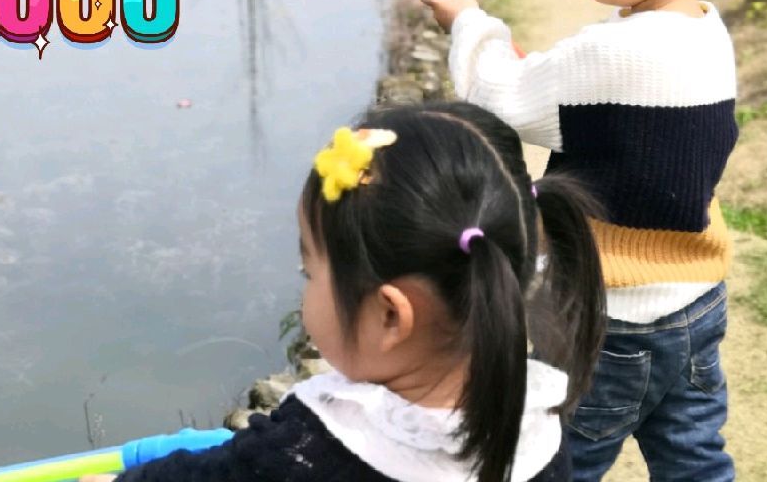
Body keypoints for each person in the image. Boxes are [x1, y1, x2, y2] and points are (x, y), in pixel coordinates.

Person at [422, 0, 738, 482]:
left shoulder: (610, 51)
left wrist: (469, 23)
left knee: (560, 463)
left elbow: (498, 94)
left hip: (611, 319)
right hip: (696, 304)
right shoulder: (709, 32)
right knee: (694, 459)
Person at [86, 101, 605, 482]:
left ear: (390, 316)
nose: (305, 293)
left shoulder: (309, 452)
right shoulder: (536, 425)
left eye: (310, 271)